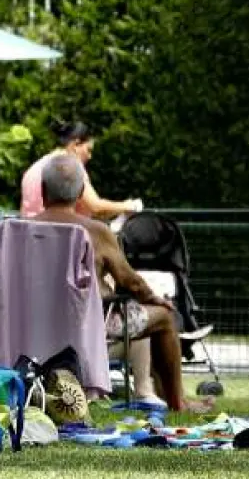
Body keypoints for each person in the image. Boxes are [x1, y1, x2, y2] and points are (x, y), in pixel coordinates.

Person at [30, 154, 213, 413]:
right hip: (89, 324)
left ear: (43, 190)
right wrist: (154, 298)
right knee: (165, 317)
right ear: (81, 193)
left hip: (32, 322)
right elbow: (130, 282)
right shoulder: (95, 231)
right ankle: (177, 402)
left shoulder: (16, 230)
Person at [21, 121, 140, 219]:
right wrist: (128, 206)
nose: (90, 156)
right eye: (88, 150)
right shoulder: (68, 168)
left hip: (29, 235)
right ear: (76, 145)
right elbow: (96, 208)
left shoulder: (34, 168)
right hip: (59, 236)